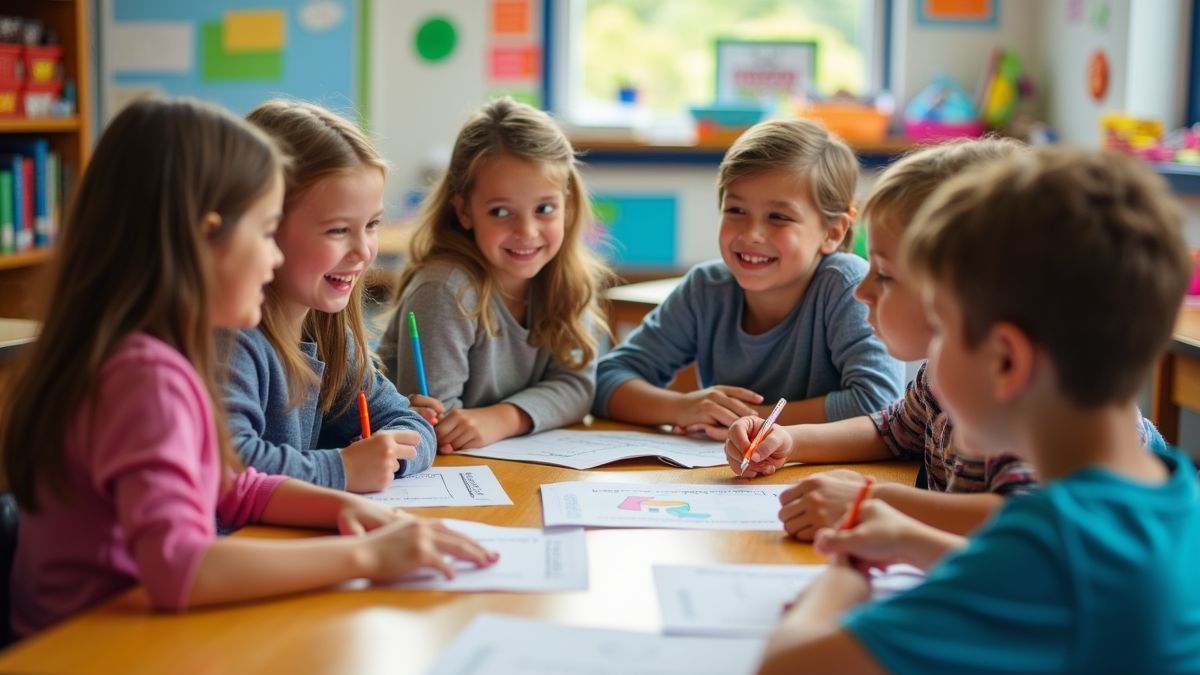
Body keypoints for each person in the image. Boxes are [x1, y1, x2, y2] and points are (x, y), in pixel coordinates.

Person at [4, 98, 495, 637]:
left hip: (140, 628)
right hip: (85, 644)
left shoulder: (161, 356)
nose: (274, 257)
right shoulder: (146, 378)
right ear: (206, 239)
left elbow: (231, 482)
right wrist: (366, 558)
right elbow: (180, 568)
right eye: (266, 233)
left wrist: (350, 513)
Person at [756, 148, 1200, 674]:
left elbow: (789, 666)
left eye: (940, 329)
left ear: (1006, 361)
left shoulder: (1052, 546)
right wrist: (907, 541)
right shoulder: (1173, 495)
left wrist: (847, 574)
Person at [728, 138, 1165, 539]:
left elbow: (1027, 529)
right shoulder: (952, 372)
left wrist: (872, 502)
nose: (862, 291)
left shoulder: (1028, 407)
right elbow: (893, 431)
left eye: (883, 274)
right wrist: (788, 440)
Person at [592, 119, 903, 440]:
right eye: (736, 210)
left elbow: (880, 404)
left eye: (779, 217)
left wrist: (748, 421)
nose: (751, 234)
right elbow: (606, 381)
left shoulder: (846, 285)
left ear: (832, 232)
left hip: (831, 478)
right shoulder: (706, 289)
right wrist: (683, 407)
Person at [377, 98, 611, 453]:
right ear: (464, 211)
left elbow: (578, 388)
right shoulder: (446, 290)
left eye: (545, 208)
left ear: (568, 204)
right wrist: (504, 419)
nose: (527, 231)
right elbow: (438, 425)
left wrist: (504, 418)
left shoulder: (566, 281)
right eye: (501, 211)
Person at [226, 100, 435, 492]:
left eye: (372, 224)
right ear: (266, 228)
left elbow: (411, 424)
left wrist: (387, 457)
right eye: (338, 230)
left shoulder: (329, 336)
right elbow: (233, 465)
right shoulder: (233, 341)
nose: (363, 251)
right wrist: (342, 468)